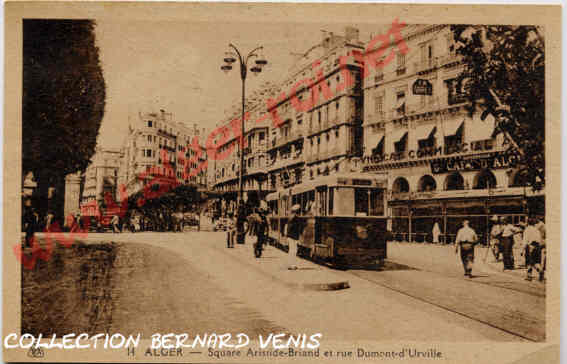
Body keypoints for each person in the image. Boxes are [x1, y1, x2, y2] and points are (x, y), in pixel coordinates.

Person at [522, 217, 543, 281]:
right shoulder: (536, 230)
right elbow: (539, 239)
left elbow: (525, 240)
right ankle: (540, 270)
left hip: (530, 246)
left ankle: (529, 276)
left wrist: (522, 249)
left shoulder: (527, 230)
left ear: (527, 223)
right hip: (537, 246)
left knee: (529, 261)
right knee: (536, 261)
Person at [285, 204, 302, 270]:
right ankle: (292, 265)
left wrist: (287, 236)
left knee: (291, 251)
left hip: (291, 237)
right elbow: (294, 228)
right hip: (293, 237)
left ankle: (290, 264)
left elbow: (288, 228)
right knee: (293, 251)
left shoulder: (290, 218)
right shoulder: (295, 218)